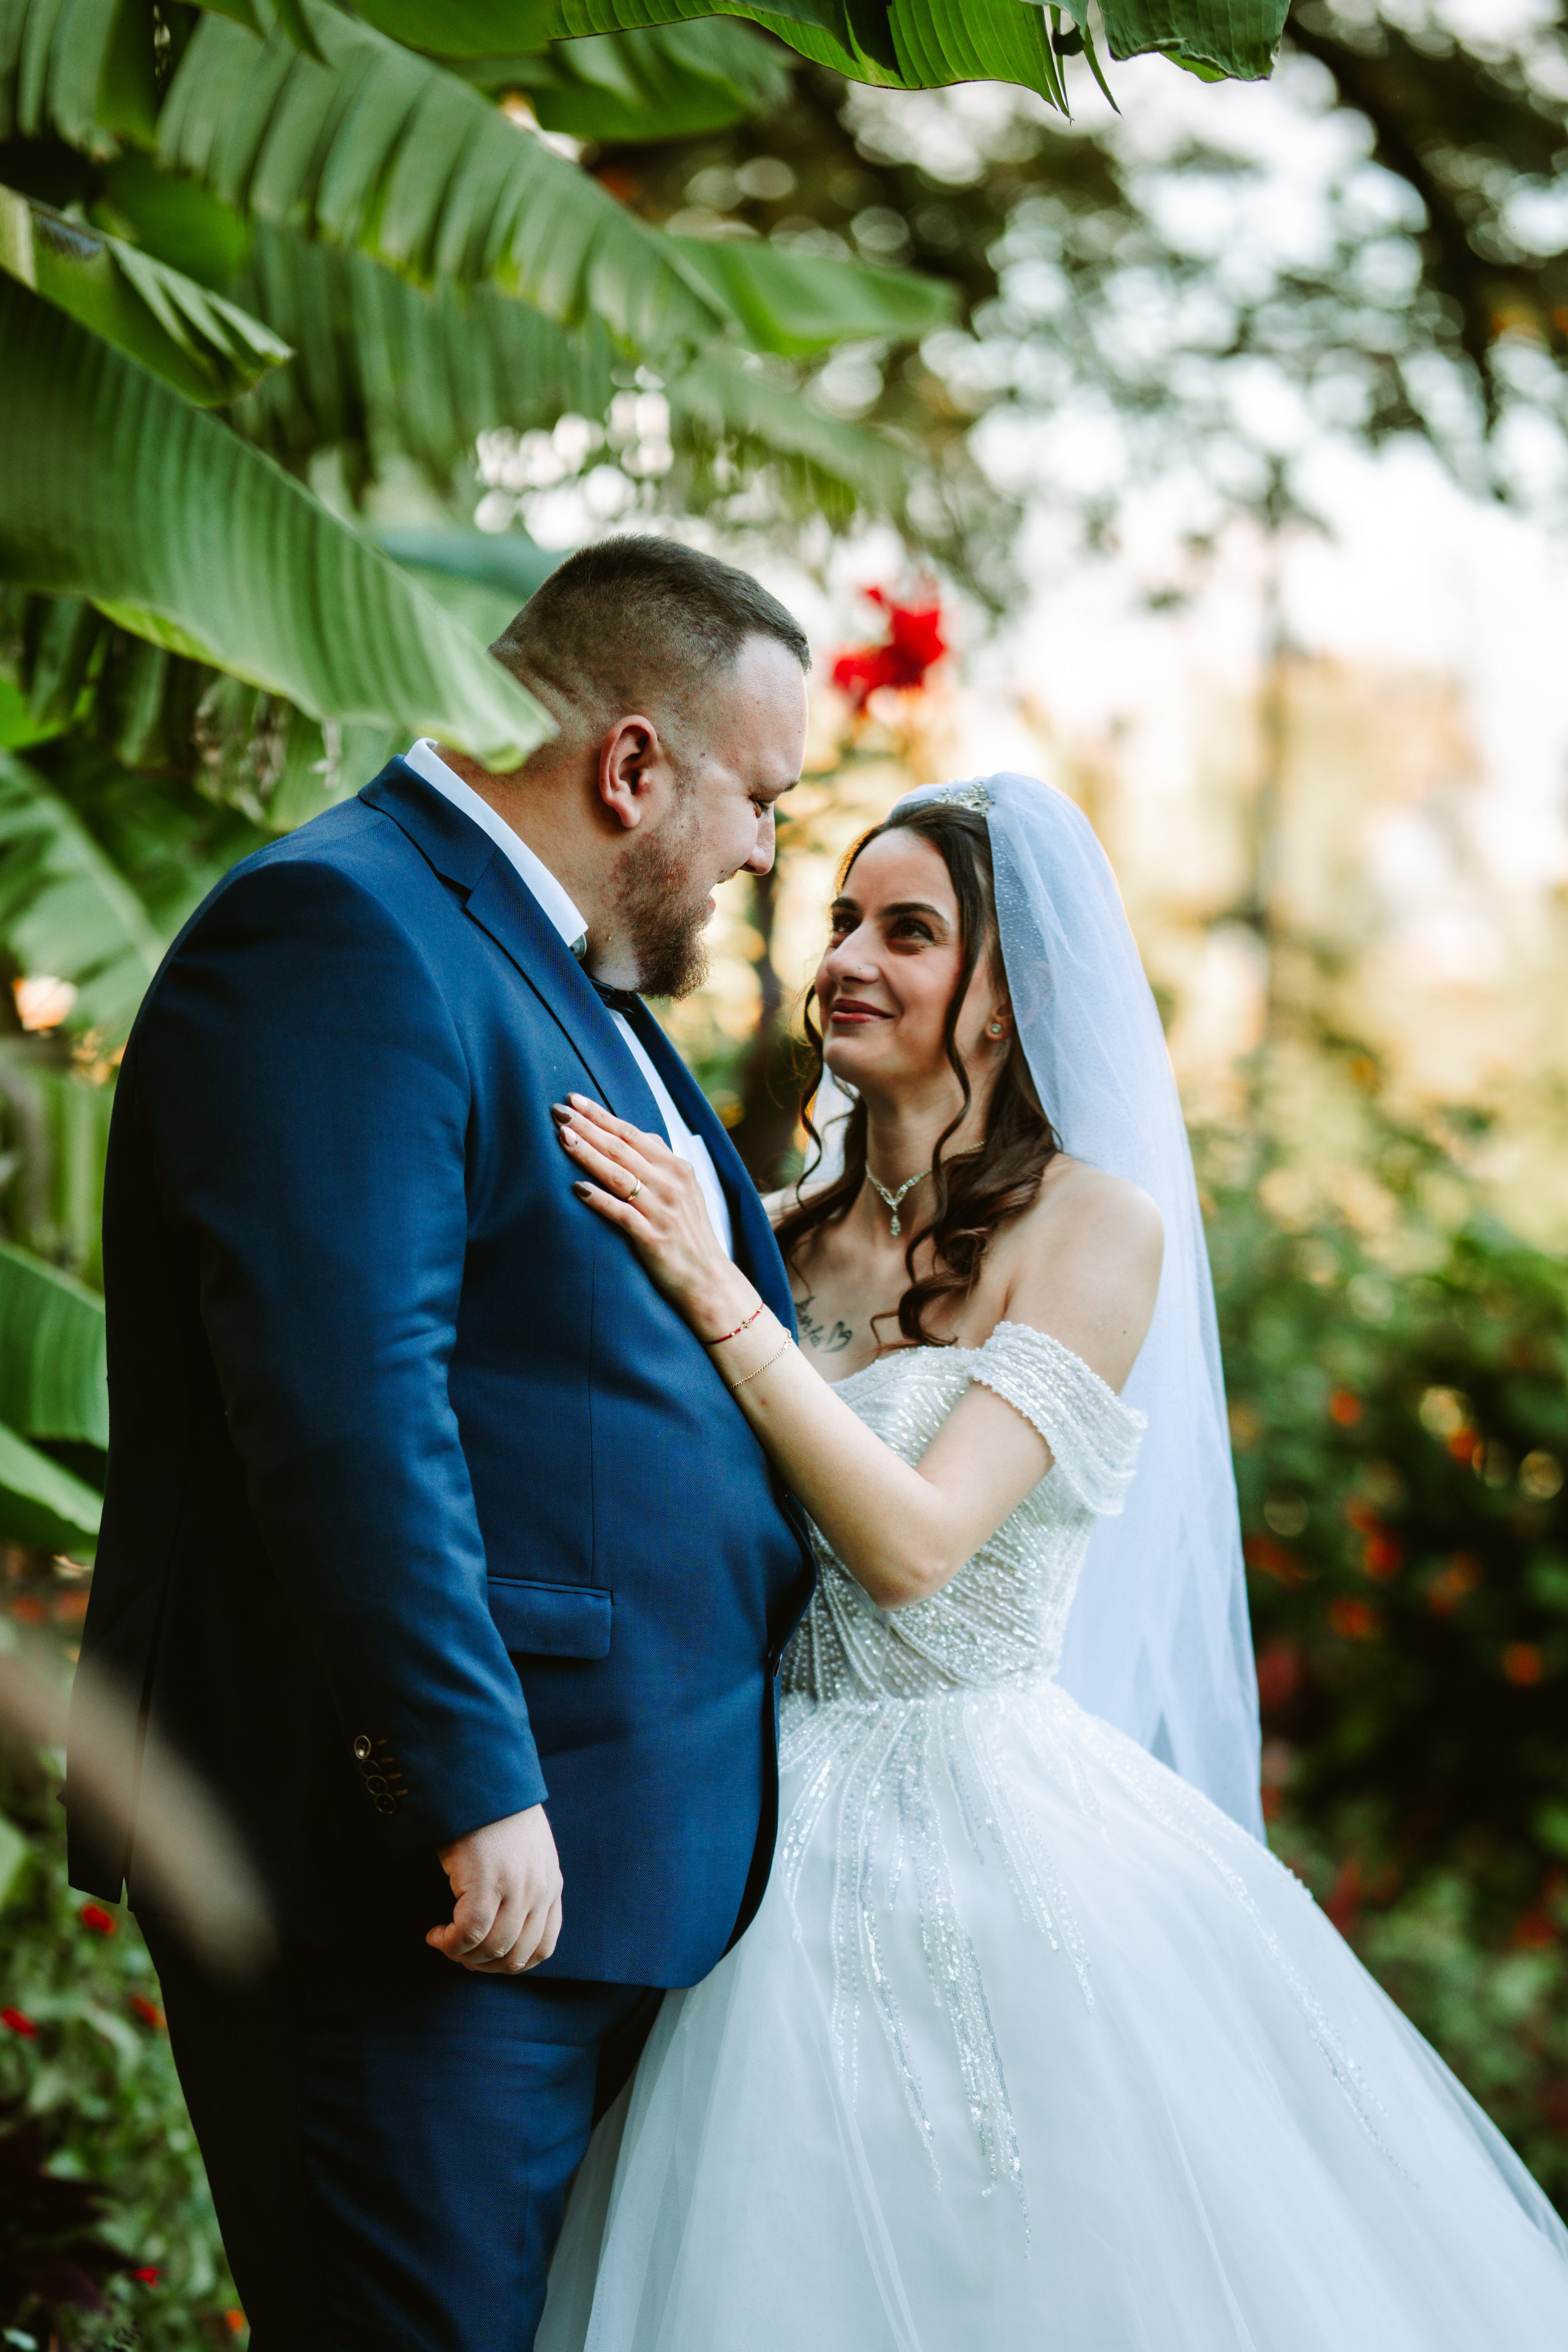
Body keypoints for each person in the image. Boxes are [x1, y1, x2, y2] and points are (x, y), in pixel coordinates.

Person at [538, 775, 1568, 2351]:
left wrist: (712, 1293)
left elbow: (917, 1544)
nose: (847, 962)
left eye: (909, 931)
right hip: (749, 1827)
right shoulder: (774, 1232)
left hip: (994, 1821)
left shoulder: (1091, 1230)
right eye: (838, 922)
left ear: (1007, 997)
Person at [64, 538, 816, 2352]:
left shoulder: (563, 981)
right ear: (634, 765)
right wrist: (465, 1784)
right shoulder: (341, 930)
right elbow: (343, 1407)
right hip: (427, 1879)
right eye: (762, 801)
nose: (764, 856)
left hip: (602, 1863)